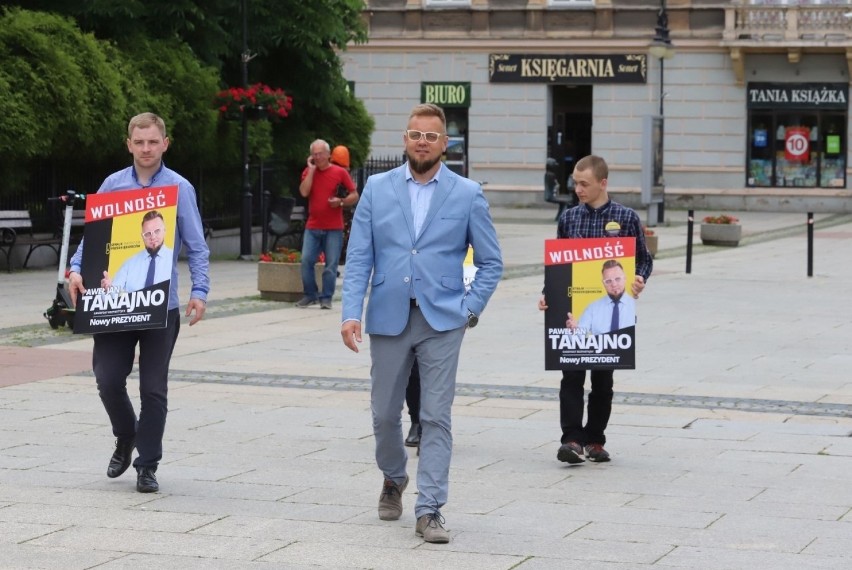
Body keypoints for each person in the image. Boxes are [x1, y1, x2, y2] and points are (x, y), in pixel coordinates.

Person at [341, 103, 503, 544]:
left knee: (435, 416)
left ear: (444, 144)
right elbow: (359, 258)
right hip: (388, 316)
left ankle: (429, 508)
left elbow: (491, 262)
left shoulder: (468, 193)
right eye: (415, 134)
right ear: (405, 139)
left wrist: (470, 309)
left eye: (431, 136)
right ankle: (394, 477)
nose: (422, 142)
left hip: (442, 320)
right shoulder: (377, 188)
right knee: (383, 414)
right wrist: (350, 312)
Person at [68, 112, 210, 494]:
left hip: (161, 308)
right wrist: (76, 269)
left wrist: (199, 292)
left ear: (165, 144)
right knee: (108, 379)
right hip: (115, 303)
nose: (146, 149)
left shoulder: (180, 188)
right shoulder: (112, 184)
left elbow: (196, 247)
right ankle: (126, 435)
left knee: (153, 389)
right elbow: (91, 240)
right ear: (129, 144)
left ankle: (147, 464)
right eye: (139, 142)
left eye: (153, 142)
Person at [537, 155, 652, 465]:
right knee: (571, 375)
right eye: (575, 182)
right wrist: (548, 294)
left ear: (603, 183)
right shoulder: (569, 218)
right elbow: (558, 265)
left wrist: (639, 278)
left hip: (613, 310)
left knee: (603, 379)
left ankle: (595, 439)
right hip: (575, 311)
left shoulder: (625, 217)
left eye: (584, 183)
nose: (578, 189)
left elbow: (643, 258)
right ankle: (571, 439)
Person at [296, 139, 358, 310]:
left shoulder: (339, 172)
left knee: (331, 265)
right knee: (306, 260)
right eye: (314, 154)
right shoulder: (309, 172)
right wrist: (311, 171)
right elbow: (304, 192)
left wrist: (341, 202)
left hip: (333, 227)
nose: (318, 157)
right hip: (313, 225)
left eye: (320, 153)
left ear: (328, 154)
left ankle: (326, 297)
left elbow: (354, 194)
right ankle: (310, 294)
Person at [101, 210, 173, 292]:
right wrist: (107, 289)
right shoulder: (129, 264)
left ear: (164, 230)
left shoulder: (173, 259)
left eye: (157, 231)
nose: (152, 237)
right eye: (147, 234)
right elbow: (113, 293)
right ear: (142, 236)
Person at [566, 260, 636, 335]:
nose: (614, 284)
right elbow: (578, 337)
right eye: (608, 281)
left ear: (625, 278)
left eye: (617, 279)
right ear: (603, 283)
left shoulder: (636, 305)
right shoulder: (593, 308)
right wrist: (573, 330)